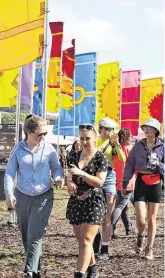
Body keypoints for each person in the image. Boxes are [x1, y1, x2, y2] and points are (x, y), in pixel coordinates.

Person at [4, 114, 62, 278]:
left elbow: (56, 168)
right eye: (39, 134)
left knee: (34, 234)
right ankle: (35, 266)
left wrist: (58, 177)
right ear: (28, 132)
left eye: (45, 134)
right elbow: (9, 173)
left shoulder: (49, 148)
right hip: (22, 195)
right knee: (26, 234)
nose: (42, 137)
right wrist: (9, 193)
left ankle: (29, 271)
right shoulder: (18, 149)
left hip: (43, 196)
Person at [66, 124, 108, 278]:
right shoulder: (73, 155)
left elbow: (99, 182)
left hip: (94, 202)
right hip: (77, 201)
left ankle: (79, 274)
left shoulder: (100, 157)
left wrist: (81, 174)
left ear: (95, 139)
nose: (84, 141)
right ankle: (93, 267)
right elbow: (69, 175)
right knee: (82, 241)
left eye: (88, 138)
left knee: (85, 240)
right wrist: (70, 182)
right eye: (82, 138)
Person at [122, 118, 164, 260]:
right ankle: (140, 236)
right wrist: (125, 182)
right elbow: (129, 164)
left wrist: (158, 164)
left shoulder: (162, 146)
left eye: (150, 128)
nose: (146, 130)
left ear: (156, 131)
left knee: (152, 218)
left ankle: (149, 248)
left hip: (156, 182)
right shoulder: (138, 145)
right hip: (140, 181)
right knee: (141, 217)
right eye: (145, 127)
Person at [96, 118, 126, 260]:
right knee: (94, 214)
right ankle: (95, 240)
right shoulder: (95, 141)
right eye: (106, 129)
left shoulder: (114, 143)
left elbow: (122, 159)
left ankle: (105, 248)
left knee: (107, 216)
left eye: (111, 130)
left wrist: (117, 145)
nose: (109, 132)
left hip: (108, 177)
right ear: (100, 128)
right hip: (95, 177)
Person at [111, 128, 135, 238]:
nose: (131, 137)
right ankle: (110, 227)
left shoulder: (115, 150)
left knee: (124, 205)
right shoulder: (130, 149)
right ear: (127, 137)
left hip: (117, 180)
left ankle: (128, 229)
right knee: (121, 205)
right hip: (128, 181)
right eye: (130, 135)